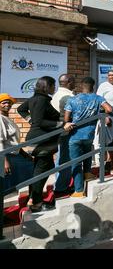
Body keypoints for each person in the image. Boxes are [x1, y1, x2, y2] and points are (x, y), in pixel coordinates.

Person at [17, 76, 62, 212]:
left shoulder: (35, 99)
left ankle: (33, 198)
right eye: (53, 85)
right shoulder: (41, 100)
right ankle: (35, 202)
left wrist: (30, 120)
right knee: (42, 170)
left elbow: (21, 109)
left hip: (37, 140)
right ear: (46, 86)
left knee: (40, 169)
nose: (55, 88)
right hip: (41, 141)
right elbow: (40, 122)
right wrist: (62, 124)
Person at [63, 77, 113, 197]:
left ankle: (79, 190)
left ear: (81, 86)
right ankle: (87, 173)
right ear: (93, 86)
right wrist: (102, 115)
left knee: (76, 163)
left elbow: (66, 119)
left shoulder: (73, 99)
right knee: (86, 155)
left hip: (75, 134)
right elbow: (109, 109)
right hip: (89, 134)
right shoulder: (98, 98)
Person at [0, 94, 34, 192]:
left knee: (32, 172)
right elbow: (0, 141)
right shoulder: (0, 119)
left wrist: (23, 153)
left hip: (15, 154)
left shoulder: (7, 118)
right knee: (6, 185)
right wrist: (4, 161)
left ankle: (32, 201)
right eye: (4, 103)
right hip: (7, 156)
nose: (7, 104)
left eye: (9, 102)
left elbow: (14, 141)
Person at [50, 74, 75, 196]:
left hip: (58, 130)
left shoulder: (56, 94)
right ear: (69, 82)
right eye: (74, 82)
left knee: (61, 158)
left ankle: (59, 185)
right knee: (65, 159)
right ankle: (60, 187)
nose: (75, 84)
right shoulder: (68, 96)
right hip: (65, 132)